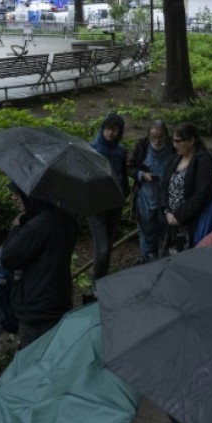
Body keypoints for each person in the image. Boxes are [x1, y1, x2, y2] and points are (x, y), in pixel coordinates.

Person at [1, 183, 78, 348]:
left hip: (36, 304)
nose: (13, 198)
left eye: (17, 193)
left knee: (33, 359)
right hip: (59, 297)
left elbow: (9, 258)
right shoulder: (66, 217)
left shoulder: (38, 226)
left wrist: (15, 229)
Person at [87, 114, 128, 297]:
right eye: (108, 129)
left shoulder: (120, 151)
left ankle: (102, 279)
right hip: (97, 207)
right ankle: (96, 281)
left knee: (108, 247)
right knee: (102, 249)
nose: (110, 133)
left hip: (115, 204)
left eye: (115, 130)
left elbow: (124, 175)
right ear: (102, 129)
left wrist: (124, 193)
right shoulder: (92, 149)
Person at [162, 123, 212, 254]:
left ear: (191, 141)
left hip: (190, 223)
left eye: (179, 141)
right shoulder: (174, 159)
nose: (175, 145)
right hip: (170, 221)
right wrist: (166, 211)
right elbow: (164, 186)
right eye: (173, 141)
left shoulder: (203, 161)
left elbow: (202, 194)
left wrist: (179, 217)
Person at [127, 120, 175, 264]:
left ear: (166, 136)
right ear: (148, 136)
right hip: (146, 198)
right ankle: (146, 261)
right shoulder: (142, 146)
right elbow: (129, 167)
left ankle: (166, 262)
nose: (157, 140)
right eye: (154, 137)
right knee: (147, 232)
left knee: (167, 233)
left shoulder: (174, 147)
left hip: (167, 199)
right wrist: (142, 175)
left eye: (160, 137)